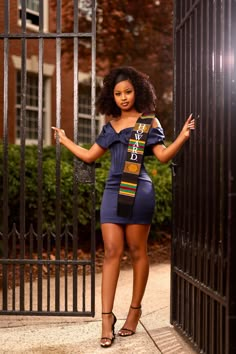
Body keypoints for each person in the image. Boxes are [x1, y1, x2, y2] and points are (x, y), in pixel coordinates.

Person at [52, 66, 195, 348]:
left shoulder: (148, 123)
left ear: (137, 91)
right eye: (118, 93)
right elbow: (91, 156)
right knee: (112, 252)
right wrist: (65, 139)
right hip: (112, 190)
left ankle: (135, 311)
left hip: (139, 189)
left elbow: (163, 157)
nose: (124, 97)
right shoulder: (110, 124)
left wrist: (182, 137)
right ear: (111, 96)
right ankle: (107, 319)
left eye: (128, 91)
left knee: (138, 251)